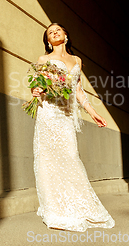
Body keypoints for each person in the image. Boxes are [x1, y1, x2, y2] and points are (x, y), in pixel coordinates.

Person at [31, 23, 115, 232]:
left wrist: (93, 112)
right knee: (49, 159)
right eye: (50, 32)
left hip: (67, 115)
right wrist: (37, 89)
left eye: (58, 29)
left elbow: (78, 90)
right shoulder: (44, 60)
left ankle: (77, 205)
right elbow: (37, 84)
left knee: (70, 155)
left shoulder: (77, 60)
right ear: (48, 42)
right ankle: (56, 208)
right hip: (49, 113)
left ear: (66, 35)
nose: (55, 32)